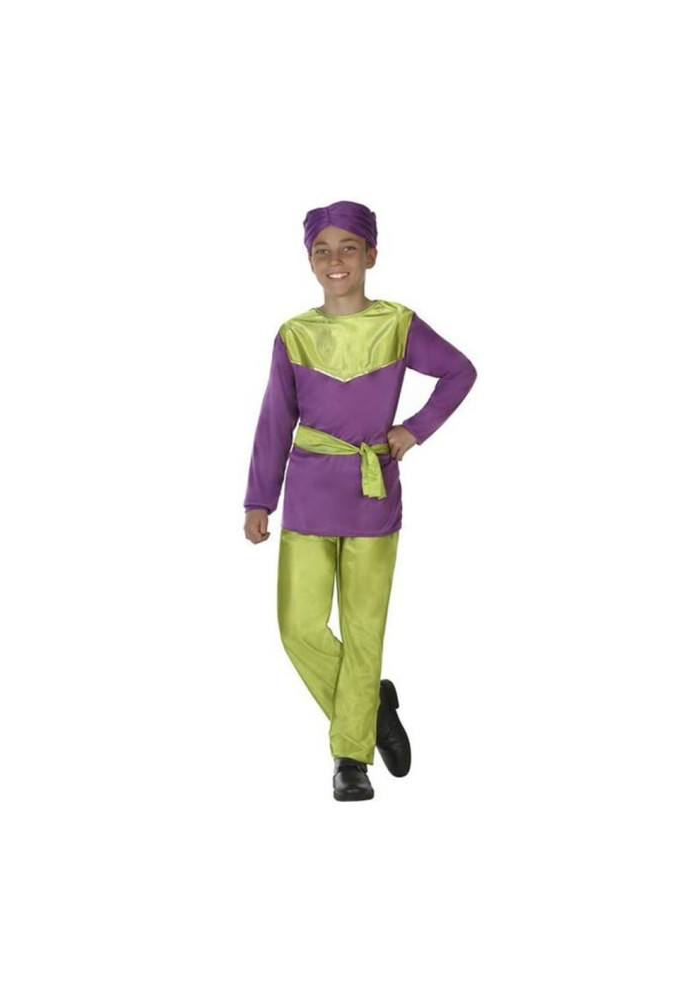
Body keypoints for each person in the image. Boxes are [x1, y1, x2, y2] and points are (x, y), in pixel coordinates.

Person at [243, 200, 477, 801]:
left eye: (349, 248)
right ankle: (372, 705)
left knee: (363, 628)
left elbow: (460, 372)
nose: (335, 260)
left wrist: (413, 430)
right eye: (322, 250)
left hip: (372, 494)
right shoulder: (295, 334)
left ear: (371, 255)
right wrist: (259, 498)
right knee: (298, 628)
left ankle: (351, 758)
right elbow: (275, 419)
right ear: (309, 261)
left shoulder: (397, 324)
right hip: (309, 494)